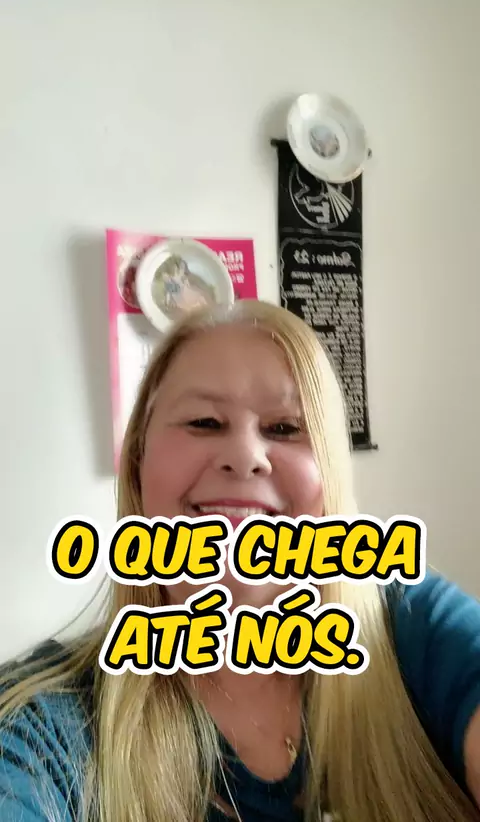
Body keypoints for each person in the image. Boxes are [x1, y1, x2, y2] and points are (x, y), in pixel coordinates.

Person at [0, 299, 479, 822]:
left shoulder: (416, 629)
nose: (246, 456)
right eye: (204, 421)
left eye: (285, 428)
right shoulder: (44, 722)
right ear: (138, 461)